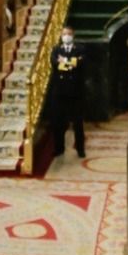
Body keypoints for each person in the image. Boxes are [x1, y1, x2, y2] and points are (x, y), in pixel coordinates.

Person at [48, 26, 87, 157]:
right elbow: (55, 64)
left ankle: (80, 149)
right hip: (59, 91)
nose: (66, 36)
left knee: (78, 123)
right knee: (58, 122)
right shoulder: (56, 49)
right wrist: (71, 63)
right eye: (64, 34)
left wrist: (64, 61)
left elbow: (80, 63)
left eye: (69, 34)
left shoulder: (80, 49)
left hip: (76, 91)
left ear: (73, 35)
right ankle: (59, 148)